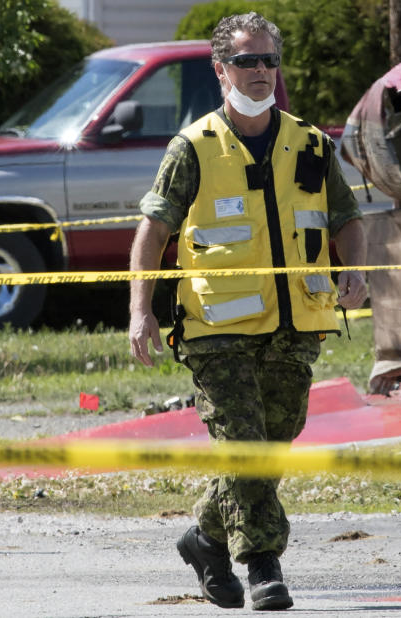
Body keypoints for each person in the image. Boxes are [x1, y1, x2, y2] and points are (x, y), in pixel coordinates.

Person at [128, 12, 367, 611]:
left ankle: (205, 537)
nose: (260, 72)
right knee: (244, 444)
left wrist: (356, 271)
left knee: (275, 442)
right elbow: (151, 231)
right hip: (217, 329)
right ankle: (264, 564)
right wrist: (141, 311)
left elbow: (347, 219)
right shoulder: (194, 148)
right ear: (220, 68)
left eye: (268, 60)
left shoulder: (310, 143)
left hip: (296, 324)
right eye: (246, 60)